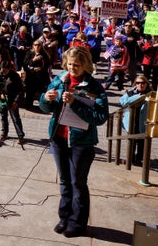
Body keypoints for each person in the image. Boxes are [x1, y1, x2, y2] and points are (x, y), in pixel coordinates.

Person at [39, 46, 108, 238]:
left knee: (78, 182)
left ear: (85, 65)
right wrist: (46, 98)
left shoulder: (94, 86)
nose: (72, 68)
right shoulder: (60, 79)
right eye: (69, 64)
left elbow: (101, 117)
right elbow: (45, 106)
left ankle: (77, 223)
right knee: (64, 181)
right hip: (59, 138)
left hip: (81, 143)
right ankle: (64, 217)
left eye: (76, 65)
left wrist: (75, 104)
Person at [119, 75, 151, 167]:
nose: (140, 85)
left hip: (143, 121)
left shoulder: (151, 93)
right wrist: (138, 97)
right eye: (138, 83)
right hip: (131, 120)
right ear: (135, 84)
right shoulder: (130, 92)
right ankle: (130, 158)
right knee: (131, 140)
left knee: (142, 142)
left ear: (146, 84)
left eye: (142, 83)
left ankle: (138, 159)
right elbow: (123, 102)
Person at [0, 60, 25, 144]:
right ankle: (4, 133)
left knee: (15, 118)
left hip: (12, 99)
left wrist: (16, 101)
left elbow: (21, 90)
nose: (3, 72)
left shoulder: (15, 76)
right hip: (2, 99)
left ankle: (20, 135)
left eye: (5, 70)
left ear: (9, 69)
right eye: (2, 69)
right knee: (3, 116)